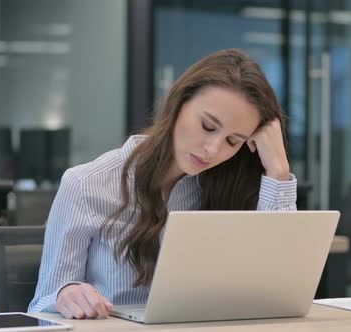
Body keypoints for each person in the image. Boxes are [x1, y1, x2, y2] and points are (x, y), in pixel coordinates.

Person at [28, 48, 297, 319]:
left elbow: (281, 289)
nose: (213, 150)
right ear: (178, 104)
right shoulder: (85, 184)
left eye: (232, 141)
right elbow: (39, 310)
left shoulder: (221, 188)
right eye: (207, 125)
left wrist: (277, 172)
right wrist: (66, 295)